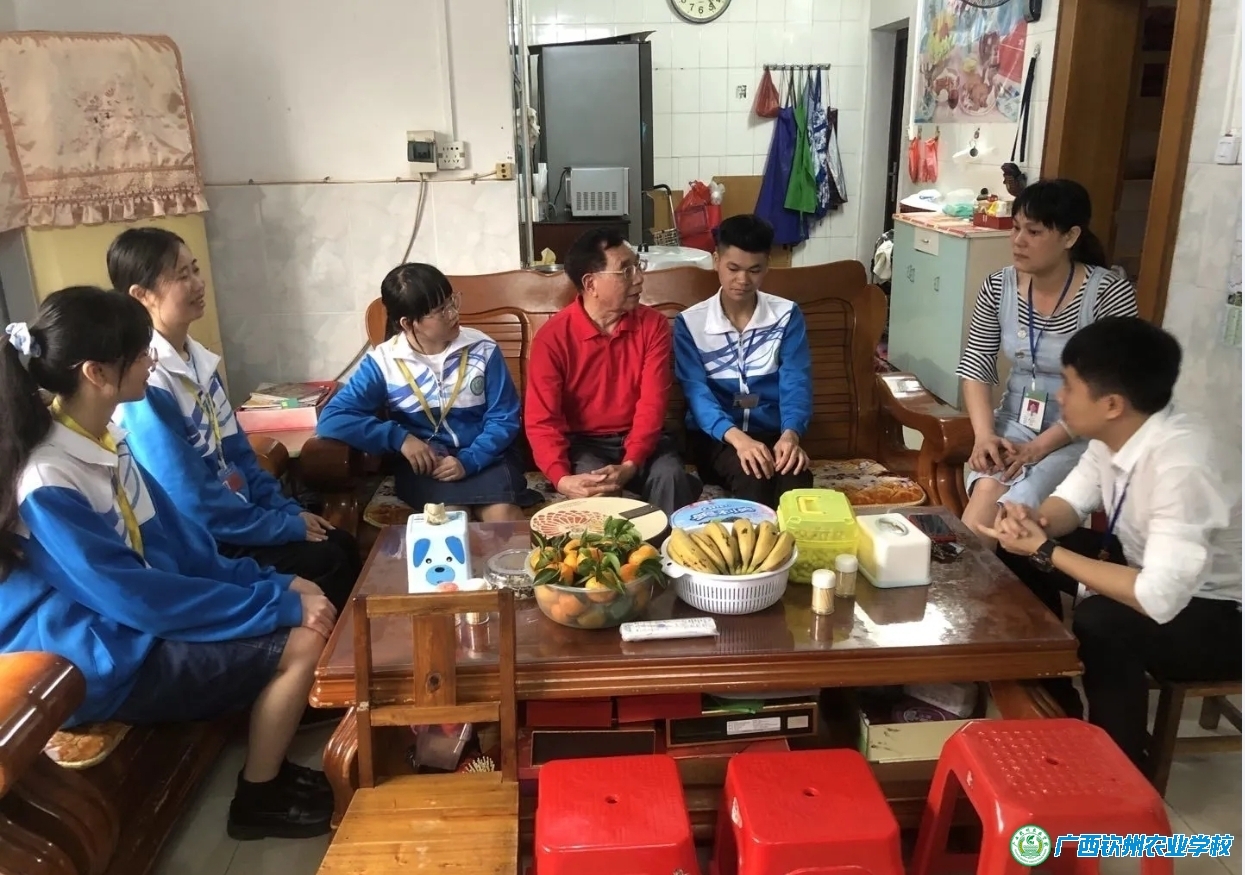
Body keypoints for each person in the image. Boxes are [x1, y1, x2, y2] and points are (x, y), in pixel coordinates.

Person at [0, 288, 338, 838]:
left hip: (127, 623)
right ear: (96, 373)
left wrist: (273, 582)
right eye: (140, 354)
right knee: (302, 641)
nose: (152, 361)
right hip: (88, 655)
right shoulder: (47, 480)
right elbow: (137, 598)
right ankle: (259, 798)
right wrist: (275, 607)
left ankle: (269, 753)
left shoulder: (104, 439)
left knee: (307, 594)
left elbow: (182, 547)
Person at [983, 317, 1241, 767]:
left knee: (1103, 621)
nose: (1060, 397)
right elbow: (1070, 502)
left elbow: (1157, 597)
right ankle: (1056, 710)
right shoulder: (1115, 433)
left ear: (1112, 404)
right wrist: (1034, 522)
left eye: (1069, 385)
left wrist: (1046, 549)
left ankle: (1120, 767)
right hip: (1147, 568)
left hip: (1219, 614)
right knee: (1014, 555)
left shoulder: (1182, 465)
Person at [107, 228, 359, 611]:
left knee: (340, 543)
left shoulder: (198, 360)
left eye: (195, 269)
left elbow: (240, 456)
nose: (198, 283)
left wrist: (287, 512)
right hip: (204, 541)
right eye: (182, 276)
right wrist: (279, 527)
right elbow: (191, 501)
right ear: (142, 295)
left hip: (238, 520)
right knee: (327, 561)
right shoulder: (148, 383)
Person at [956, 178, 1139, 547]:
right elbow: (976, 363)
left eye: (1034, 231)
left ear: (1070, 236)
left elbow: (1112, 389)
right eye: (1016, 228)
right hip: (1016, 421)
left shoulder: (1107, 293)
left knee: (1015, 500)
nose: (1018, 241)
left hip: (1083, 430)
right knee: (988, 487)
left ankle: (986, 577)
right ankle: (969, 577)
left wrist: (1039, 448)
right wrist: (984, 435)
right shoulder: (998, 287)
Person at [317, 263, 534, 520]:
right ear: (408, 323)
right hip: (428, 466)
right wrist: (400, 439)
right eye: (440, 310)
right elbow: (332, 419)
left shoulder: (482, 348)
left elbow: (504, 417)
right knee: (449, 516)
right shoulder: (385, 363)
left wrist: (469, 460)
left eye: (452, 302)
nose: (453, 314)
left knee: (503, 514)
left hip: (487, 456)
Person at [525, 227, 700, 515]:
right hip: (585, 443)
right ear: (591, 283)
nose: (639, 278)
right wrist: (561, 478)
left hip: (643, 437)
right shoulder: (552, 338)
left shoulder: (653, 325)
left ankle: (670, 543)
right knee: (599, 491)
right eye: (626, 270)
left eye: (638, 266)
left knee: (669, 477)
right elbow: (542, 419)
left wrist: (631, 463)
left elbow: (652, 404)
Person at [674, 214, 813, 508]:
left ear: (767, 266)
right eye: (733, 268)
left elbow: (796, 381)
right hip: (718, 438)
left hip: (774, 432)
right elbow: (696, 393)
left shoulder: (786, 315)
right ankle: (752, 539)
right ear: (716, 260)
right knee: (753, 475)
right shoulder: (691, 323)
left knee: (796, 479)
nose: (743, 280)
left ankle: (795, 541)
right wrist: (739, 440)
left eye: (754, 270)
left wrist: (791, 435)